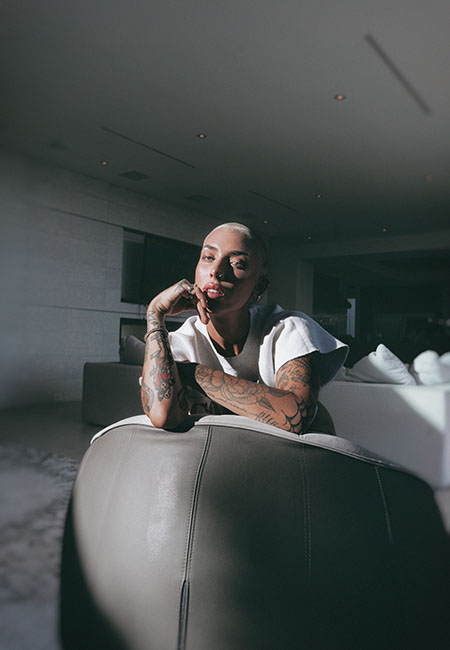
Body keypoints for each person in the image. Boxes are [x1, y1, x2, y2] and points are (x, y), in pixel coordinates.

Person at [141, 223, 348, 434]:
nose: (216, 271)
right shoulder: (180, 341)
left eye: (238, 263)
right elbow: (163, 415)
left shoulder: (287, 328)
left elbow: (296, 417)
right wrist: (155, 314)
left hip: (306, 452)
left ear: (259, 286)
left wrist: (189, 373)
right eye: (208, 257)